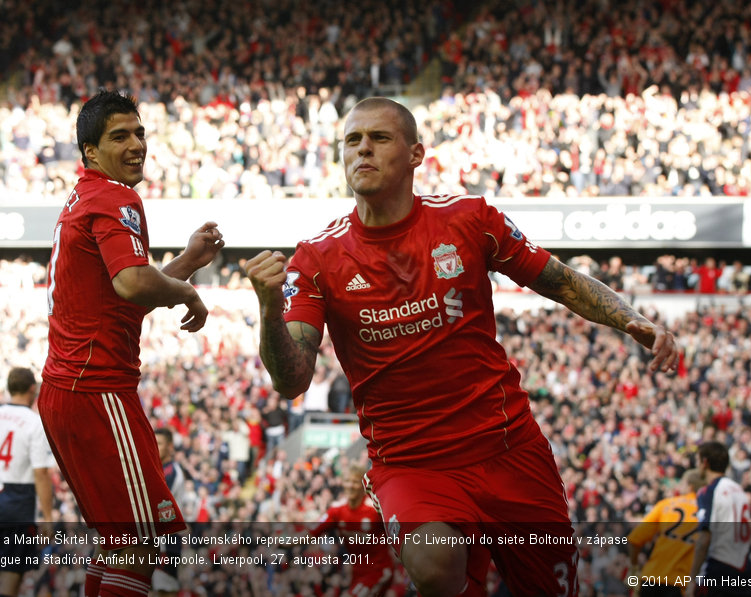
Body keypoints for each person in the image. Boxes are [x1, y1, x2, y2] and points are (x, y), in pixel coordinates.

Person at [245, 96, 679, 597]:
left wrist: (633, 320)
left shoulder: (470, 219)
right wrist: (269, 307)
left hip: (509, 447)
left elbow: (557, 280)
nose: (362, 150)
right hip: (412, 463)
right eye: (352, 141)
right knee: (436, 567)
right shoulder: (316, 258)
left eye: (379, 138)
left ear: (415, 155)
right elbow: (291, 379)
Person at [38, 89, 224, 597]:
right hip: (97, 392)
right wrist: (187, 290)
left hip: (68, 392)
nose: (136, 143)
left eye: (139, 132)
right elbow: (134, 285)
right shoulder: (116, 196)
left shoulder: (85, 197)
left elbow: (122, 294)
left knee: (117, 546)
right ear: (90, 152)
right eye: (119, 135)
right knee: (141, 546)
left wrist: (186, 262)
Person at [0, 367, 55, 597]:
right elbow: (41, 473)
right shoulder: (34, 423)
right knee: (12, 573)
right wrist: (47, 517)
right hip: (18, 504)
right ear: (33, 389)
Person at [307, 464, 396, 597]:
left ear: (363, 485)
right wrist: (284, 541)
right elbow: (310, 532)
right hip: (357, 573)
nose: (350, 485)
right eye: (347, 481)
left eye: (355, 482)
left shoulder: (375, 509)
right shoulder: (337, 510)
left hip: (379, 570)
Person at [686, 442, 751, 597]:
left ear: (705, 462)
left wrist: (692, 579)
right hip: (744, 567)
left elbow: (704, 537)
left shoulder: (709, 491)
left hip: (720, 568)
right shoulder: (739, 490)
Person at [628, 469, 707, 597]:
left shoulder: (666, 504)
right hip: (679, 582)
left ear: (689, 486)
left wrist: (634, 567)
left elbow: (634, 540)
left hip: (651, 577)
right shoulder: (707, 511)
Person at [152, 428, 186, 597]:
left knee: (164, 589)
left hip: (167, 540)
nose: (155, 447)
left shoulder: (171, 472)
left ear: (170, 447)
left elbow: (159, 504)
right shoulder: (157, 469)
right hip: (157, 539)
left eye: (159, 443)